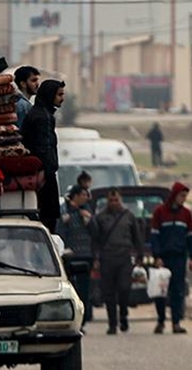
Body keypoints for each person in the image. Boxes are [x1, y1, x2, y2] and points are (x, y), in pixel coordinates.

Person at [90, 189, 143, 335]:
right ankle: (112, 323)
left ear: (121, 200)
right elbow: (95, 241)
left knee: (124, 288)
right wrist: (95, 258)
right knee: (108, 293)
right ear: (108, 201)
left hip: (124, 257)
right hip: (107, 258)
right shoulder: (100, 218)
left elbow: (137, 237)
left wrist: (140, 255)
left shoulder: (129, 216)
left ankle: (123, 314)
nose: (114, 203)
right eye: (111, 200)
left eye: (116, 200)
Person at [150, 181, 192, 335]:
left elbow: (191, 237)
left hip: (179, 258)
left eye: (185, 196)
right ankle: (161, 320)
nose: (183, 199)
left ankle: (176, 322)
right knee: (161, 290)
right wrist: (157, 256)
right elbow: (155, 236)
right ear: (175, 195)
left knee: (178, 290)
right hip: (163, 258)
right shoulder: (160, 212)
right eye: (182, 195)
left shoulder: (186, 214)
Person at [21, 80, 66, 234]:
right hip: (44, 177)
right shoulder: (44, 118)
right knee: (48, 220)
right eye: (59, 95)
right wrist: (49, 171)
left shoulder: (38, 113)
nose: (62, 98)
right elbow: (44, 150)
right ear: (50, 95)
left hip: (39, 174)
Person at [60, 185, 94, 328]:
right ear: (76, 196)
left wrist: (90, 221)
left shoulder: (87, 210)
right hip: (70, 257)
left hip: (86, 255)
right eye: (83, 195)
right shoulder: (64, 209)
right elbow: (59, 231)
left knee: (85, 289)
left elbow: (96, 233)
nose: (86, 198)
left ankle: (84, 320)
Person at [14, 65, 40, 129]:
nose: (37, 84)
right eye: (33, 81)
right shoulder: (23, 105)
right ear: (23, 84)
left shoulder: (19, 102)